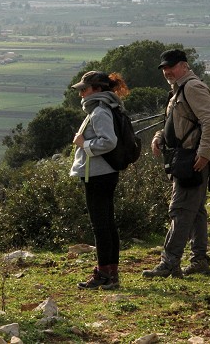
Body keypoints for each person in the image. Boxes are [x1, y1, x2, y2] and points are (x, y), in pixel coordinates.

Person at [142, 49, 210, 279]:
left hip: (191, 159)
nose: (167, 71)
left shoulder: (192, 87)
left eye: (172, 66)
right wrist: (159, 137)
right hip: (186, 157)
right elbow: (174, 123)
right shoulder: (179, 89)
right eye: (164, 68)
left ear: (184, 66)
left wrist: (204, 153)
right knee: (195, 211)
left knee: (180, 209)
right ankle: (199, 260)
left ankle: (169, 263)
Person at [70, 70, 130, 290]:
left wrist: (84, 144)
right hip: (104, 173)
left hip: (97, 174)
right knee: (107, 224)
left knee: (100, 226)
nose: (81, 94)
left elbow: (109, 141)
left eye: (84, 89)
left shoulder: (99, 111)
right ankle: (110, 274)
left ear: (97, 89)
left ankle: (104, 274)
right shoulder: (107, 107)